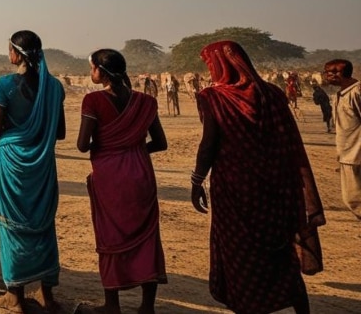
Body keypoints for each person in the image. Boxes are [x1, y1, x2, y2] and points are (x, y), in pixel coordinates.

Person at [190, 41, 324, 314]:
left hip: (235, 188)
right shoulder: (273, 93)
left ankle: (249, 305)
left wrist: (196, 180)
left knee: (241, 253)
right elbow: (289, 142)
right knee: (282, 253)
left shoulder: (212, 97)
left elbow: (209, 143)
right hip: (278, 186)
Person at [77, 50, 168, 314]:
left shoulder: (93, 100)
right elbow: (160, 143)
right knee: (148, 236)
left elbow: (83, 145)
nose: (91, 73)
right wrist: (133, 149)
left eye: (92, 68)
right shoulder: (146, 102)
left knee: (111, 236)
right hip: (141, 173)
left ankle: (112, 304)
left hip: (110, 177)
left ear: (101, 73)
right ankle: (147, 306)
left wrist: (111, 150)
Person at [0, 30, 67, 313]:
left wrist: (13, 128)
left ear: (16, 54)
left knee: (11, 226)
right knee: (44, 224)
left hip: (12, 163)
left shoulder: (5, 84)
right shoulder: (55, 87)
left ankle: (15, 296)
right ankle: (47, 294)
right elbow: (60, 132)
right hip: (43, 163)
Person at [324, 59, 360, 218]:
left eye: (332, 72)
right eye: (326, 72)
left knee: (354, 199)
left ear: (342, 73)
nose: (328, 76)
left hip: (357, 155)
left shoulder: (357, 92)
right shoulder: (338, 95)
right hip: (347, 155)